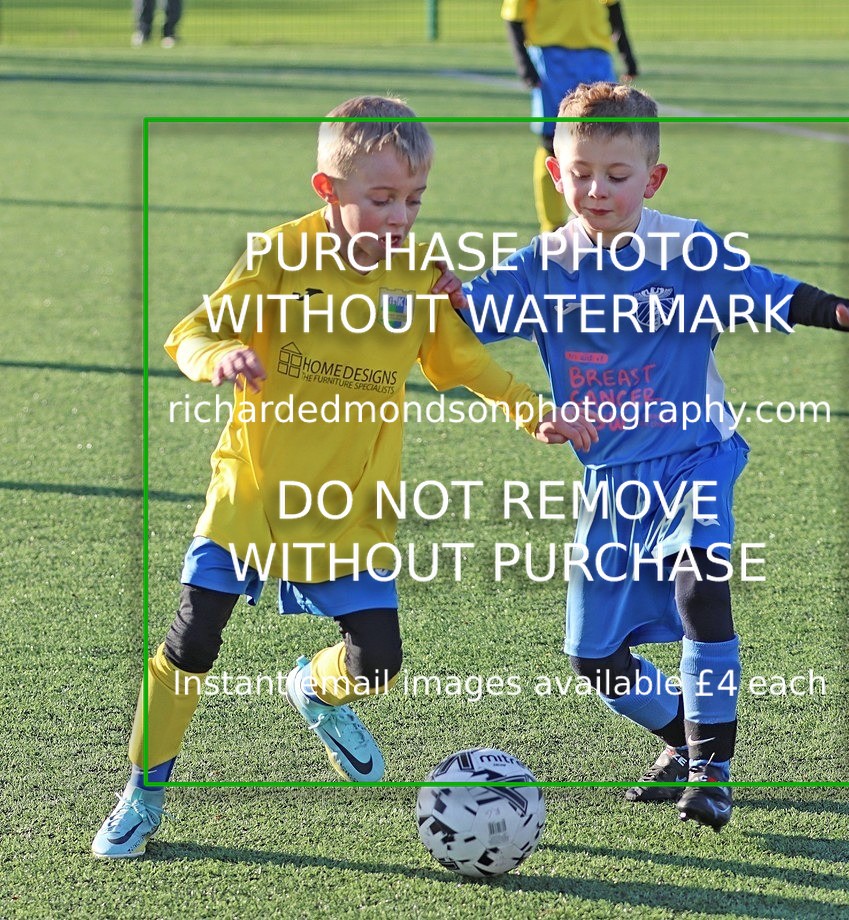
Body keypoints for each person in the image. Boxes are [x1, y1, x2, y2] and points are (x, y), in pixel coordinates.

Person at [92, 95, 597, 859]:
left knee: (379, 662)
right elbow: (190, 332)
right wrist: (218, 357)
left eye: (414, 200)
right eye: (383, 198)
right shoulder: (277, 257)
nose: (401, 217)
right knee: (193, 640)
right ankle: (143, 793)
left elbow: (463, 361)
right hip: (254, 492)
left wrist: (535, 412)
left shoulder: (419, 274)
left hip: (348, 504)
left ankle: (315, 692)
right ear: (328, 190)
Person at [460, 82, 849, 830]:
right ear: (554, 172)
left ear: (653, 179)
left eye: (617, 175)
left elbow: (769, 290)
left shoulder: (686, 250)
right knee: (595, 659)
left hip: (696, 453)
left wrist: (845, 313)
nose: (597, 191)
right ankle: (682, 740)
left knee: (702, 585)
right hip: (611, 480)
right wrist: (413, 294)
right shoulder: (539, 266)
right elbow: (462, 319)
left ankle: (711, 771)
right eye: (580, 174)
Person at [502, 0, 638, 233]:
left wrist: (627, 54)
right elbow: (513, 16)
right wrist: (524, 64)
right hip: (549, 57)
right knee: (552, 143)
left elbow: (612, 8)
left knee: (608, 140)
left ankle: (599, 221)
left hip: (597, 56)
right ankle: (552, 227)